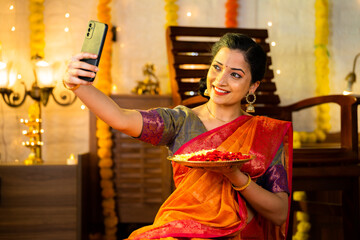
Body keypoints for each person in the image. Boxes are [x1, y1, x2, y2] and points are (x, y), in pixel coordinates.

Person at [64, 32, 293, 240]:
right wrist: (77, 86)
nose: (220, 80)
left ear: (252, 87)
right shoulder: (180, 121)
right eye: (217, 67)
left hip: (239, 233)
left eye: (235, 74)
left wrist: (235, 175)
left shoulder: (265, 133)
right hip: (182, 229)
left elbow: (279, 213)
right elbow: (121, 118)